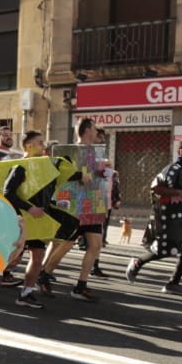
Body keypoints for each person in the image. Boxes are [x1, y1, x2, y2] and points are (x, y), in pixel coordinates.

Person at [0, 130, 76, 309]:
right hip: (20, 221)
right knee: (12, 258)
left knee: (37, 257)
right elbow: (7, 193)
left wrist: (56, 204)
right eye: (40, 143)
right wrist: (29, 209)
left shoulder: (42, 168)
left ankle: (25, 294)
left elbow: (43, 195)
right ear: (29, 146)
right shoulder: (20, 166)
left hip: (36, 223)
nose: (44, 146)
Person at [42, 116, 111, 300]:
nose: (97, 132)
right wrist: (78, 176)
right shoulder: (68, 151)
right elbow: (59, 175)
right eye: (95, 129)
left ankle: (81, 286)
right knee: (66, 245)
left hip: (94, 205)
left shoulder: (96, 152)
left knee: (95, 245)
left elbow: (96, 174)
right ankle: (45, 274)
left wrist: (105, 173)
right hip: (75, 207)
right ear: (87, 130)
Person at [125, 138, 182, 294]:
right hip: (172, 218)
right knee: (167, 249)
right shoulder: (172, 169)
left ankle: (173, 283)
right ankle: (138, 262)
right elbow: (156, 188)